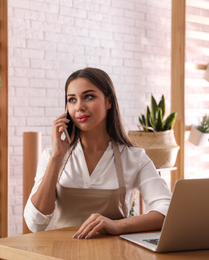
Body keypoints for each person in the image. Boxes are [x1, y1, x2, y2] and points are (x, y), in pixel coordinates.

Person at [24, 67, 172, 239]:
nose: (79, 106)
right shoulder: (52, 156)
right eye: (72, 100)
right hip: (62, 253)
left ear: (109, 101)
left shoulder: (134, 157)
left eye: (88, 96)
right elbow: (35, 223)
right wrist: (56, 157)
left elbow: (168, 210)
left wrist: (118, 225)